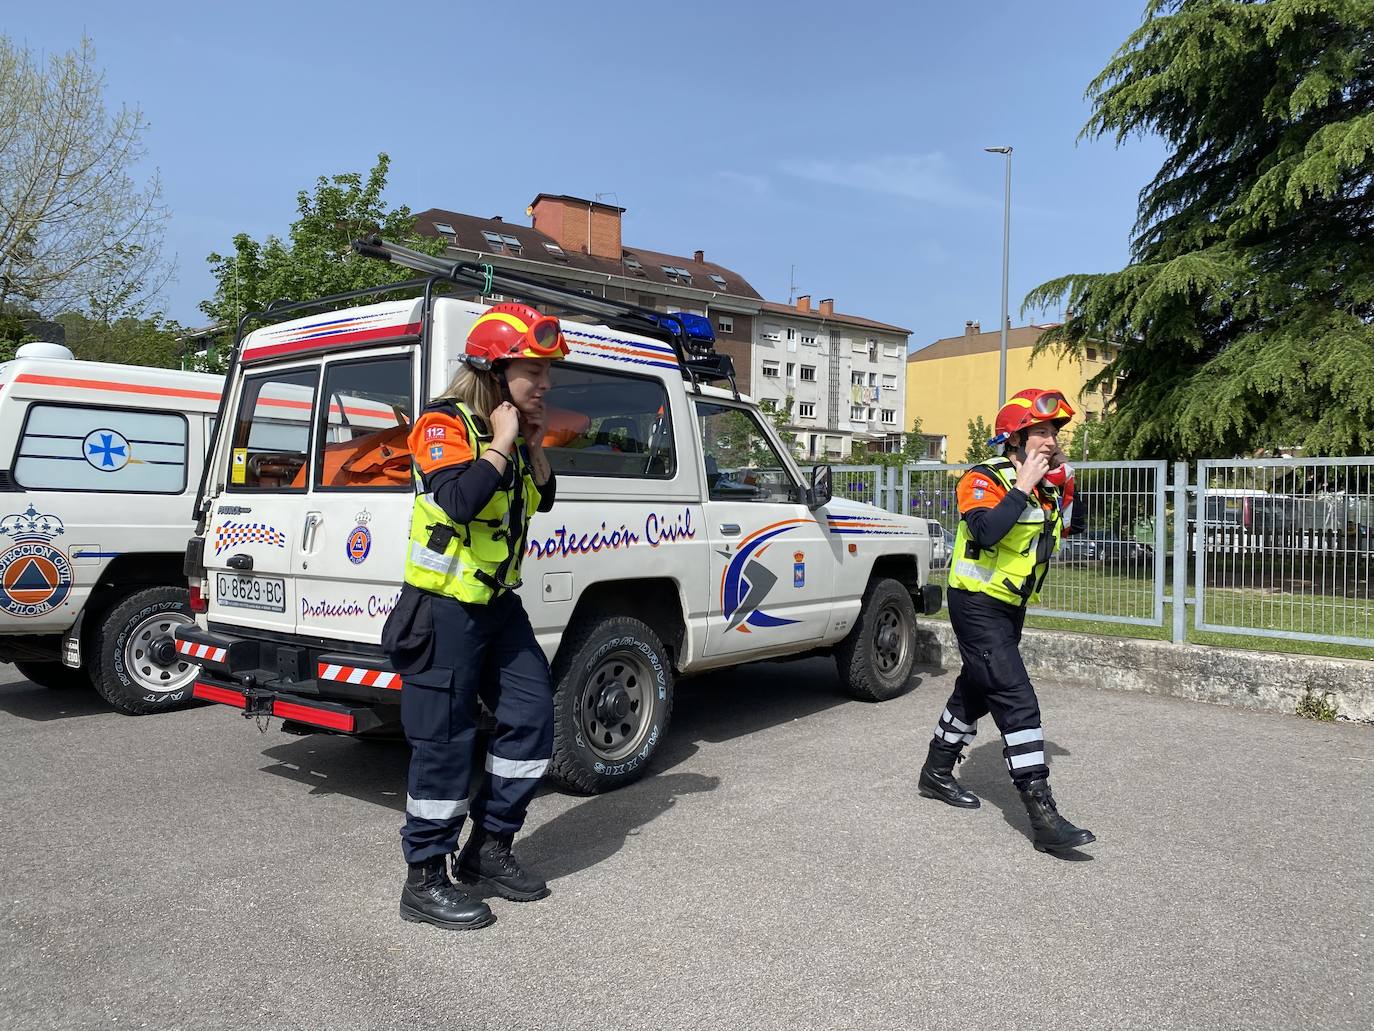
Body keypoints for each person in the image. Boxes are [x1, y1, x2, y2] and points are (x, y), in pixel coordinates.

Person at [383, 301, 568, 930]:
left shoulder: (514, 434)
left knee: (532, 718)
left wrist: (532, 443)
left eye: (548, 373)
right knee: (445, 742)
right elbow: (459, 501)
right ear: (495, 368)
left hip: (498, 607)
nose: (545, 383)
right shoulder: (443, 423)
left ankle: (489, 849)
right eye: (533, 371)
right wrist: (503, 443)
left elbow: (540, 500)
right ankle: (424, 877)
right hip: (443, 610)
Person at [917, 388, 1095, 854]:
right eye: (1040, 431)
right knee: (1016, 697)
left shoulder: (1051, 488)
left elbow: (1065, 531)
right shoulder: (983, 478)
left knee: (976, 689)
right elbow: (985, 532)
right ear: (1014, 439)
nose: (1051, 439)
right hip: (974, 604)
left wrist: (1056, 485)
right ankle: (1042, 813)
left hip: (1008, 605)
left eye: (1055, 431)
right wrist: (1020, 487)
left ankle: (935, 773)